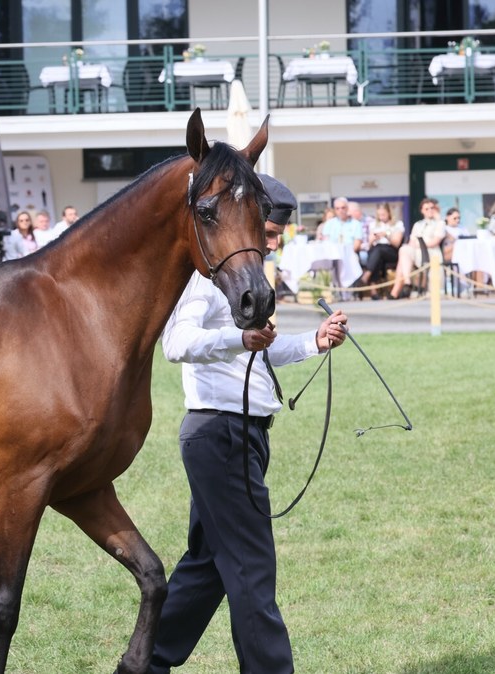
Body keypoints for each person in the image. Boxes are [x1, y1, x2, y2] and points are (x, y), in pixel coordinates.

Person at [152, 173, 348, 674]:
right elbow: (177, 343)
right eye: (270, 233)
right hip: (220, 434)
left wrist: (314, 341)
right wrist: (239, 341)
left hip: (244, 434)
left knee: (208, 568)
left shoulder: (250, 274)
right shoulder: (207, 277)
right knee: (252, 570)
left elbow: (258, 354)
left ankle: (145, 663)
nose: (274, 244)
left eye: (279, 236)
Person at [387, 198, 445, 299]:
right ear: (422, 211)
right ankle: (407, 282)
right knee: (404, 249)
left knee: (402, 260)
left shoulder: (440, 223)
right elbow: (411, 241)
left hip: (431, 253)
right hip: (416, 253)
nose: (430, 210)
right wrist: (414, 246)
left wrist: (418, 245)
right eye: (427, 209)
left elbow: (435, 241)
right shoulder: (418, 225)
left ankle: (395, 292)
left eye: (432, 208)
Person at [355, 203, 404, 300]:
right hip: (377, 251)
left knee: (378, 250)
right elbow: (369, 244)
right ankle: (374, 292)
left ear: (389, 213)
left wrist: (386, 235)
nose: (381, 217)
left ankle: (367, 277)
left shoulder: (398, 224)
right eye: (379, 215)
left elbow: (397, 243)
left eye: (383, 215)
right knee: (376, 253)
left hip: (391, 251)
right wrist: (373, 238)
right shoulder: (374, 224)